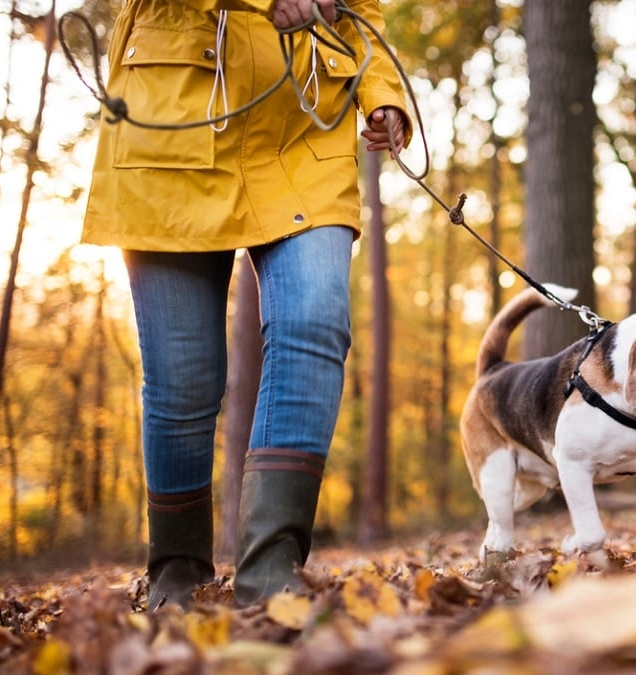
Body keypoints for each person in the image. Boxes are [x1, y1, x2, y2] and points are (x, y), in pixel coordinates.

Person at [81, 0, 410, 609]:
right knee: (183, 379)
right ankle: (175, 575)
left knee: (314, 323)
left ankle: (272, 571)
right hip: (169, 123)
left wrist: (383, 93)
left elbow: (363, 8)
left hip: (302, 127)